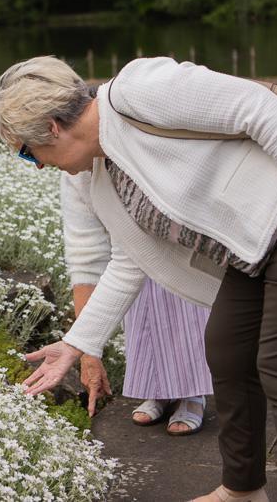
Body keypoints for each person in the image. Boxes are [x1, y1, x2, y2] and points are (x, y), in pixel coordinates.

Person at [0, 54, 277, 502]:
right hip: (258, 246)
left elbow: (259, 108)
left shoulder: (140, 90)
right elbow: (127, 261)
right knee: (228, 351)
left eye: (27, 152)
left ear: (52, 128)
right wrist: (79, 342)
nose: (36, 165)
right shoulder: (95, 175)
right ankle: (243, 491)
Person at [67, 184, 213, 434]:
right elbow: (85, 254)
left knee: (184, 311)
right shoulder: (78, 178)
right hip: (131, 246)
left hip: (175, 224)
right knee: (144, 312)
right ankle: (157, 391)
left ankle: (192, 393)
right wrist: (87, 350)